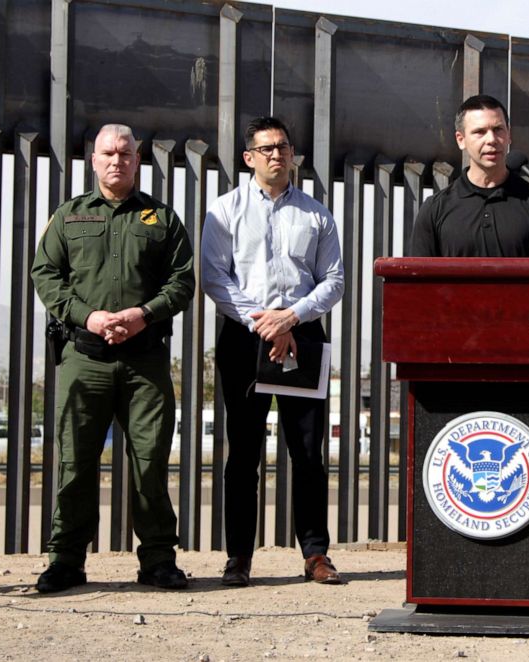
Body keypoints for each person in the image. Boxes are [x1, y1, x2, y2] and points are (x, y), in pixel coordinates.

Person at [30, 124, 194, 593]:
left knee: (150, 462)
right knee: (75, 462)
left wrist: (144, 314)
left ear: (138, 160)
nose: (117, 160)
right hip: (85, 359)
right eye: (108, 153)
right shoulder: (69, 217)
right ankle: (66, 561)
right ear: (93, 160)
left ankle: (159, 560)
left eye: (125, 153)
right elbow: (46, 274)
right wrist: (89, 317)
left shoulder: (161, 219)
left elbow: (182, 282)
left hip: (145, 361)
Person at [201, 116, 344, 587]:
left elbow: (334, 281)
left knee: (307, 451)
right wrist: (263, 321)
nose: (276, 155)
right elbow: (215, 278)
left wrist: (291, 317)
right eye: (266, 148)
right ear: (249, 157)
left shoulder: (316, 213)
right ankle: (239, 557)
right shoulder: (224, 211)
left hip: (302, 336)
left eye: (283, 146)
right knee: (243, 453)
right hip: (245, 338)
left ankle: (316, 554)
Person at [409, 94, 529, 257]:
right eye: (480, 132)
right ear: (461, 140)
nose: (491, 140)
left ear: (509, 135)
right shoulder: (435, 209)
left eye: (498, 129)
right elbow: (417, 278)